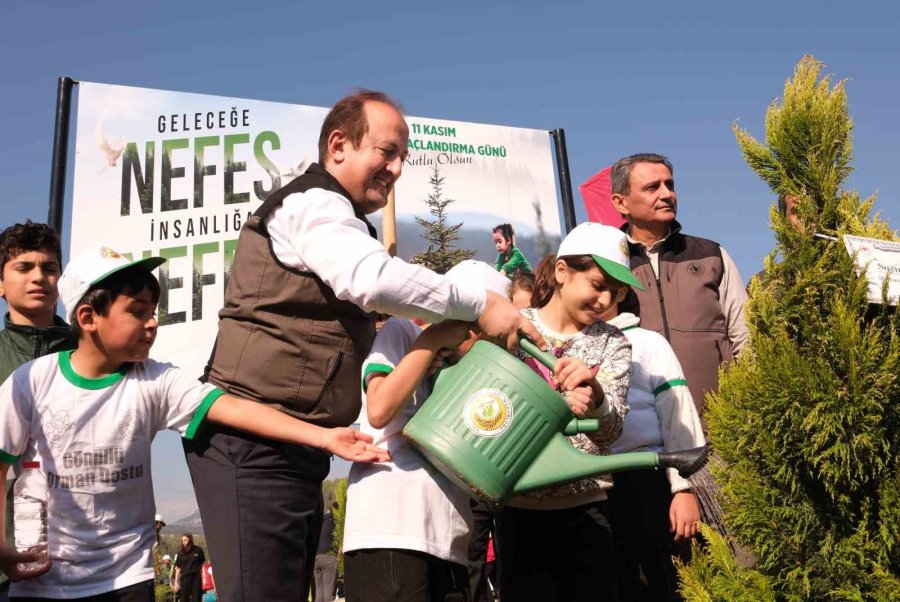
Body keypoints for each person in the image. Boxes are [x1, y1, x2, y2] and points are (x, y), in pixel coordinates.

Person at [186, 90, 541, 602]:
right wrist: (475, 305)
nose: (396, 169)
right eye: (386, 151)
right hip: (250, 445)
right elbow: (369, 280)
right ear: (338, 145)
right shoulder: (313, 204)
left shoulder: (346, 219)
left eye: (403, 158)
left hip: (295, 447)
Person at [0, 246, 390, 601]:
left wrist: (324, 437)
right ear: (88, 317)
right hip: (43, 583)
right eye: (137, 311)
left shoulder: (155, 380)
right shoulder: (30, 383)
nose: (151, 323)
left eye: (153, 312)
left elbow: (234, 408)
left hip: (123, 579)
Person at [344, 260, 511, 602]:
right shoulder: (404, 332)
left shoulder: (473, 369)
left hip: (449, 538)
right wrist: (432, 341)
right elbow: (378, 409)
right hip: (392, 528)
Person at [495, 222, 641, 602]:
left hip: (587, 509)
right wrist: (550, 405)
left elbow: (611, 431)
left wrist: (597, 397)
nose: (606, 300)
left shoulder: (615, 343)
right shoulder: (514, 329)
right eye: (597, 284)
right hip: (518, 510)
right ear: (562, 272)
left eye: (616, 292)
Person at [610, 153, 749, 420]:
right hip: (645, 435)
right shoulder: (611, 266)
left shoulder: (712, 255)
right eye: (652, 187)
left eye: (670, 185)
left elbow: (744, 335)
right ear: (621, 202)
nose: (666, 194)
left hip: (723, 430)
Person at [601, 277, 706, 601]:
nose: (595, 295)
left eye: (604, 286)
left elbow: (678, 413)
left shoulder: (647, 343)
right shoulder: (568, 347)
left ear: (620, 293)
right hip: (597, 488)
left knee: (667, 584)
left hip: (649, 481)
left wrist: (683, 488)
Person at [0, 222, 76, 600]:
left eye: (49, 268)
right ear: (0, 284)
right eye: (23, 267)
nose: (39, 277)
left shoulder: (92, 352)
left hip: (85, 561)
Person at [313, 502, 338, 602]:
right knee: (328, 590)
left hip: (316, 558)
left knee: (319, 592)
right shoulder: (334, 520)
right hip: (328, 556)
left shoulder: (319, 521)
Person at [173, 534, 204, 602]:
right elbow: (178, 568)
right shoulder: (180, 553)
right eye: (182, 541)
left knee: (197, 598)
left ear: (190, 540)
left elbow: (202, 564)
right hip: (184, 578)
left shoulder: (198, 550)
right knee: (184, 599)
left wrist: (203, 577)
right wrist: (176, 583)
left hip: (196, 578)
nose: (183, 542)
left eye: (185, 540)